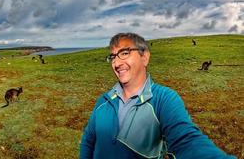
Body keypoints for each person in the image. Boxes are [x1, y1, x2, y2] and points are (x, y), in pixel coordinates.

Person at [80, 33, 236, 159]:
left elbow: (187, 141)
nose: (116, 63)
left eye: (125, 53)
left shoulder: (164, 99)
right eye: (113, 57)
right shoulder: (104, 100)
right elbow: (89, 141)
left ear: (145, 57)